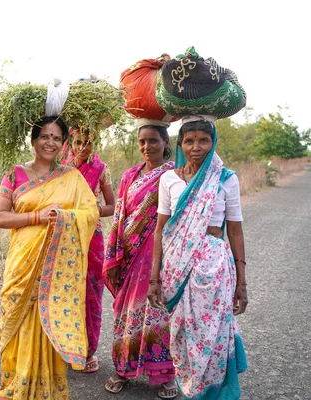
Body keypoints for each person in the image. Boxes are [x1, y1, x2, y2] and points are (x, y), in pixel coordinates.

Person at [0, 116, 99, 400]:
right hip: (22, 264)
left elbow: (91, 213)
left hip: (57, 269)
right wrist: (38, 216)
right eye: (44, 137)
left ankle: (45, 389)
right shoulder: (14, 174)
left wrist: (64, 217)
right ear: (33, 141)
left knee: (48, 319)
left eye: (56, 138)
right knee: (17, 319)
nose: (50, 143)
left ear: (63, 144)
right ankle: (17, 384)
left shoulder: (71, 177)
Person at [148, 117, 248, 399]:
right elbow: (160, 231)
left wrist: (242, 284)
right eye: (189, 141)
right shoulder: (168, 179)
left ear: (213, 142)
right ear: (180, 144)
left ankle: (211, 394)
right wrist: (154, 279)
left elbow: (236, 231)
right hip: (176, 268)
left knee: (212, 338)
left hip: (214, 269)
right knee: (182, 336)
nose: (196, 147)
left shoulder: (226, 179)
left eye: (203, 140)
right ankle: (191, 390)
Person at [103, 124, 178, 398]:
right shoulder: (129, 176)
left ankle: (164, 374)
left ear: (165, 141)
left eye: (153, 141)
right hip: (130, 255)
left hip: (160, 255)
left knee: (159, 312)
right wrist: (113, 256)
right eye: (142, 142)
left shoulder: (174, 174)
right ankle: (123, 368)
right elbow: (119, 216)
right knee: (127, 313)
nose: (147, 147)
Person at [63, 128, 115, 373]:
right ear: (71, 142)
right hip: (64, 236)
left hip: (92, 237)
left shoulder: (100, 169)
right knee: (65, 289)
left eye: (89, 142)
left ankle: (88, 349)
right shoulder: (60, 167)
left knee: (91, 291)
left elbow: (112, 207)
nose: (83, 147)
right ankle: (66, 345)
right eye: (79, 142)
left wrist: (92, 209)